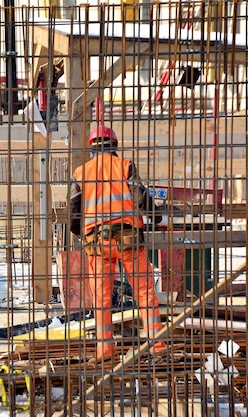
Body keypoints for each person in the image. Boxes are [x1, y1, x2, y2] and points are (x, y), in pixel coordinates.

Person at [69, 124, 166, 362]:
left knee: (102, 298)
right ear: (114, 146)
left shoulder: (81, 173)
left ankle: (105, 350)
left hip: (97, 244)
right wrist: (155, 215)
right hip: (128, 240)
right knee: (143, 292)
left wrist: (81, 234)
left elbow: (73, 213)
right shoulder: (125, 166)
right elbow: (140, 196)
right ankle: (157, 345)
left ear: (91, 148)